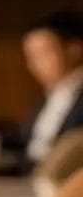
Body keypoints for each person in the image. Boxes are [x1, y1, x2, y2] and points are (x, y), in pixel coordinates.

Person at [24, 10, 83, 161]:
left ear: (75, 49)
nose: (35, 65)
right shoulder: (45, 97)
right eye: (31, 56)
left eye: (43, 53)